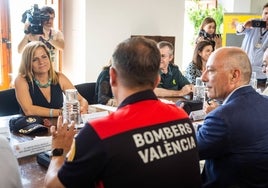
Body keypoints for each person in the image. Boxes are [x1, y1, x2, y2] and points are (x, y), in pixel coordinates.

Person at [44, 37, 202, 188]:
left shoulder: (100, 132)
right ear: (157, 81)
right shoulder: (182, 117)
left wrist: (59, 150)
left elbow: (53, 185)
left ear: (112, 76)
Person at [196, 46, 268, 187]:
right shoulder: (265, 102)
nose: (203, 77)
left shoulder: (222, 118)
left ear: (234, 75)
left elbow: (187, 151)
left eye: (210, 70)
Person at [14, 41, 88, 117]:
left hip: (57, 125)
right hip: (33, 126)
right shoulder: (21, 80)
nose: (41, 62)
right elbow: (29, 110)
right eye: (35, 59)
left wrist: (83, 108)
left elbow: (81, 100)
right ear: (27, 63)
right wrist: (61, 112)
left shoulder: (59, 77)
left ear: (49, 58)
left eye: (44, 56)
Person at [18, 6, 64, 71]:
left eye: (51, 18)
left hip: (51, 72)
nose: (49, 21)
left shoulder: (56, 33)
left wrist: (48, 39)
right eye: (46, 18)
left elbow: (62, 47)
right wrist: (27, 35)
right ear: (41, 18)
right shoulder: (32, 32)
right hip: (32, 72)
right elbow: (19, 50)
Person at [236, 3, 268, 86]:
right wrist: (244, 25)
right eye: (266, 13)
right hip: (244, 71)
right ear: (262, 14)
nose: (267, 16)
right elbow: (239, 29)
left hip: (261, 76)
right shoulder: (253, 24)